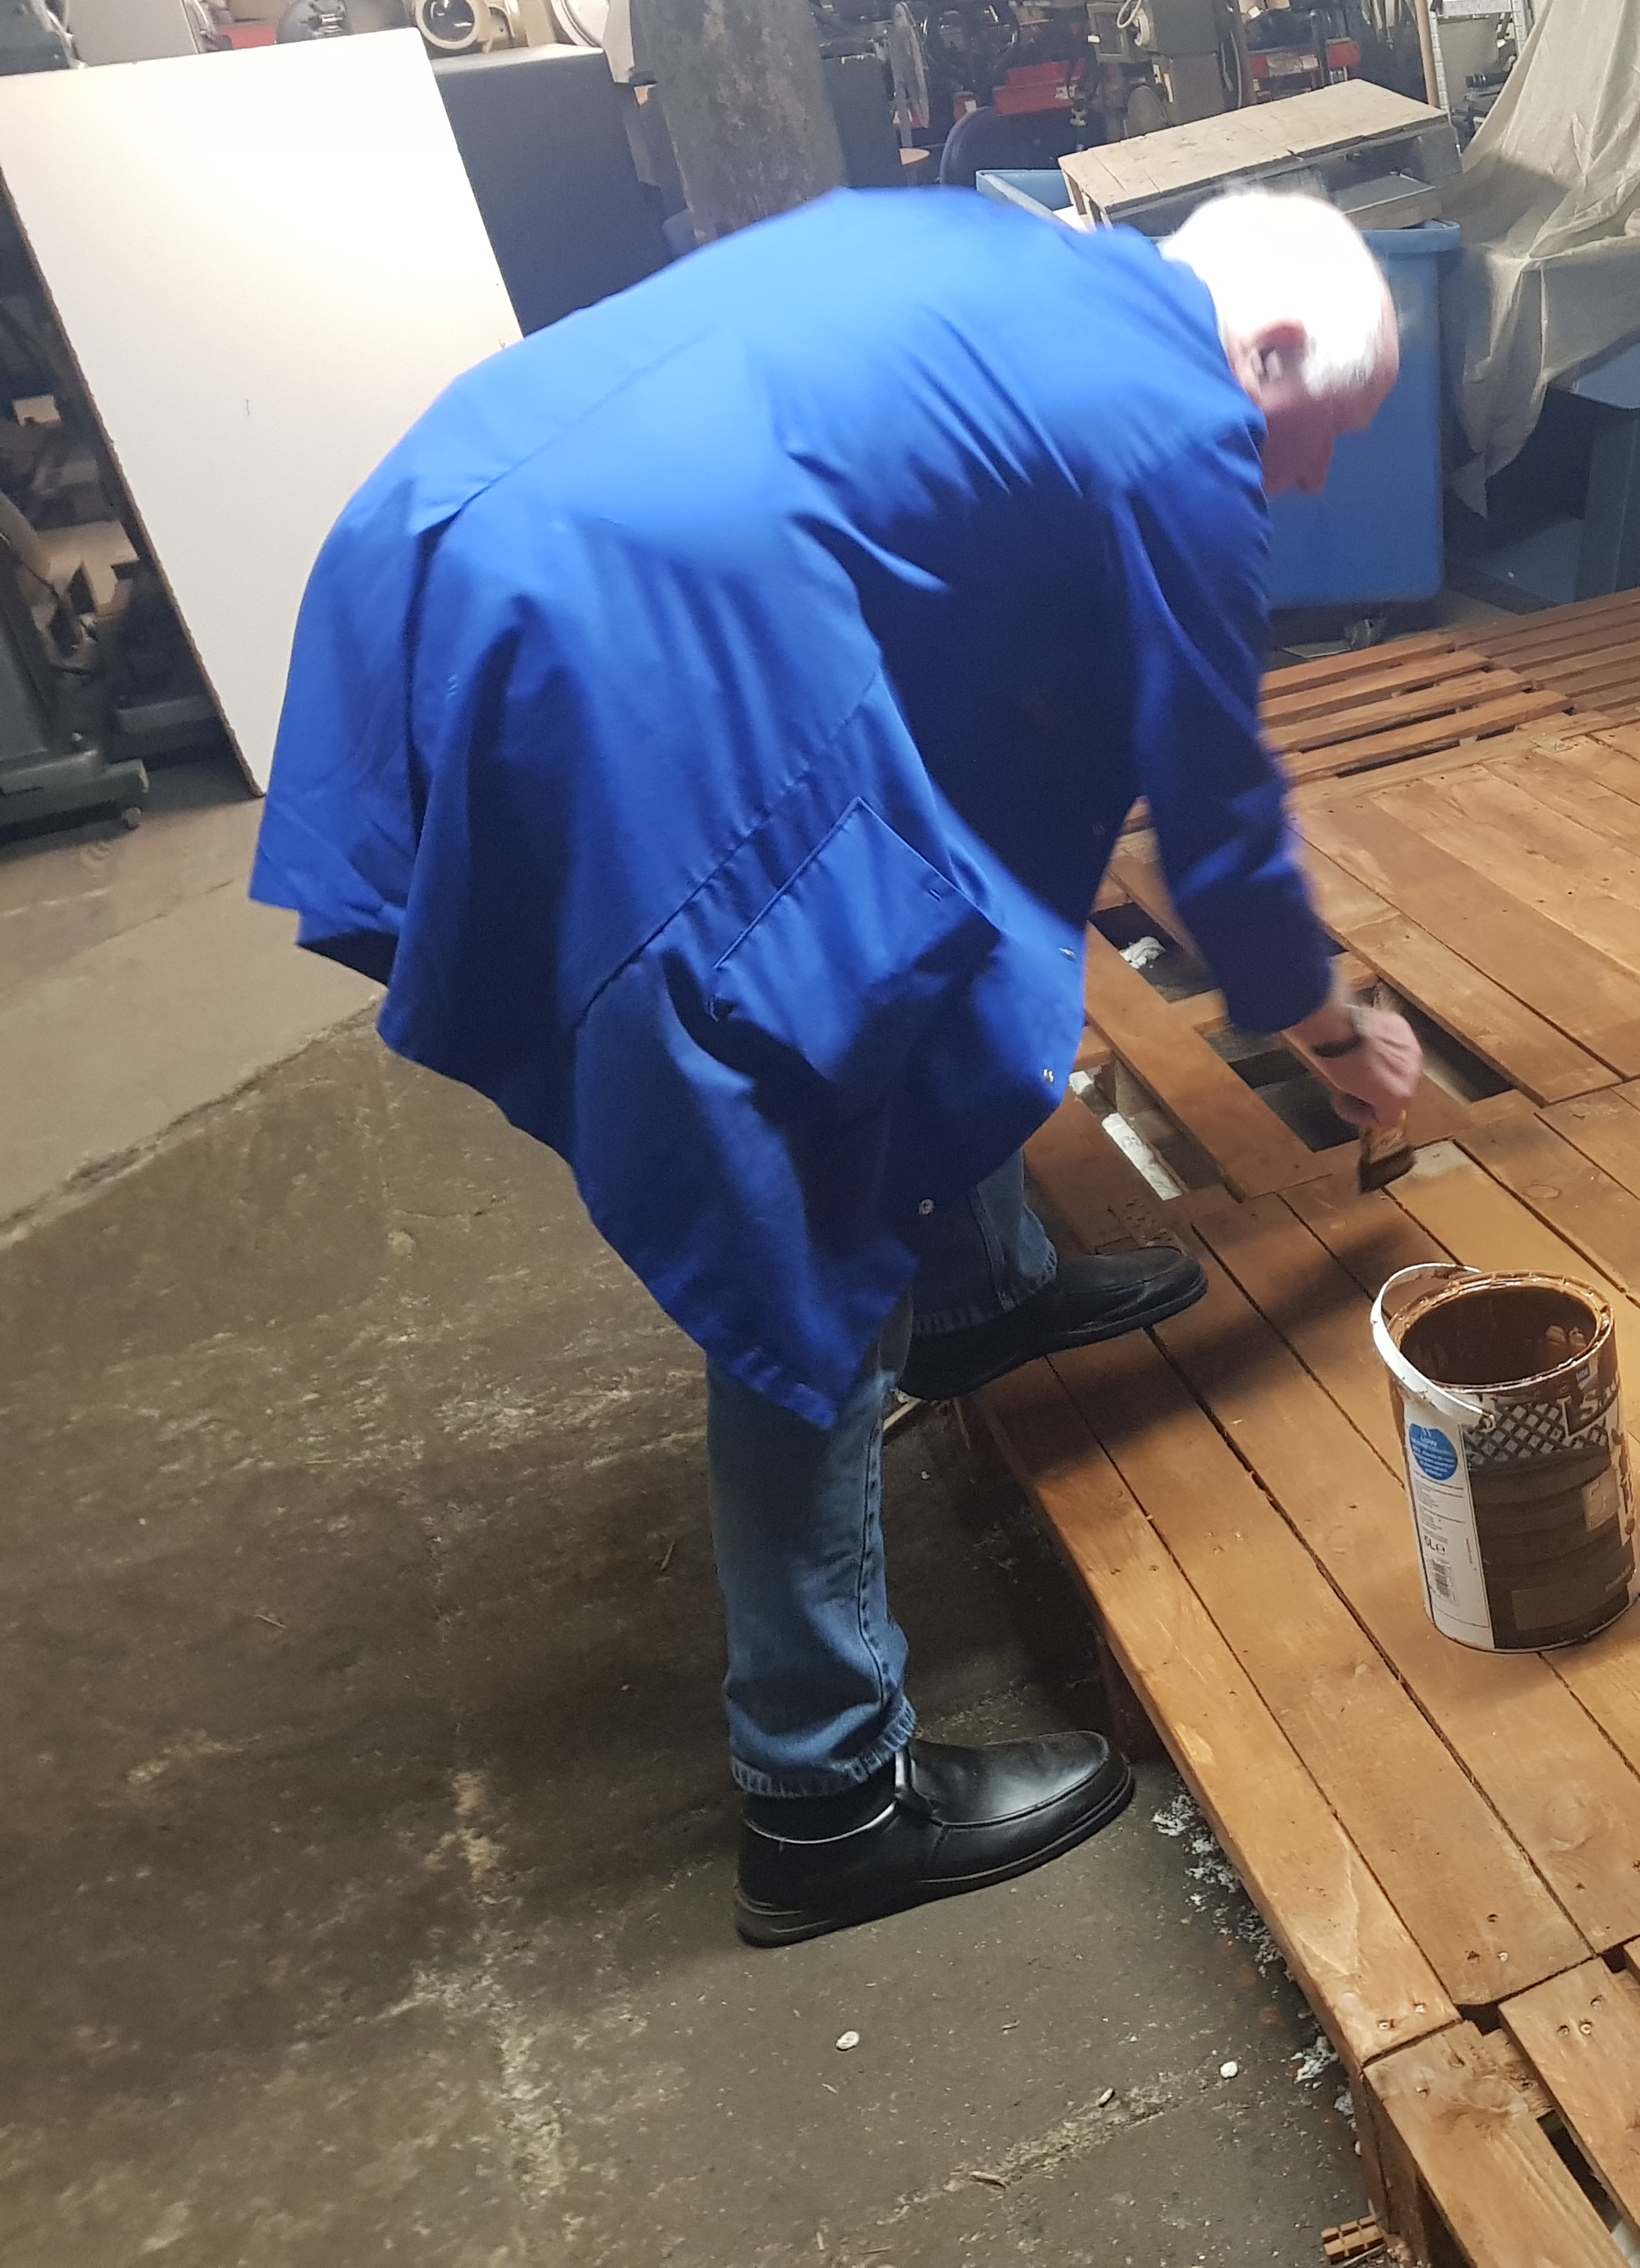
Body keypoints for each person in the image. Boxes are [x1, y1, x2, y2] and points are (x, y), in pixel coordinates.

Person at [250, 185, 1425, 1944]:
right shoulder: (1182, 423)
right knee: (796, 1141)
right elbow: (1217, 817)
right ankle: (826, 1796)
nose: (1311, 483)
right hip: (604, 638)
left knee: (932, 901)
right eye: (1317, 438)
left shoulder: (1011, 249)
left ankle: (982, 1286)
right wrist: (1330, 1025)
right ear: (1260, 352)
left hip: (452, 522)